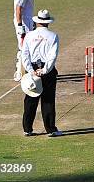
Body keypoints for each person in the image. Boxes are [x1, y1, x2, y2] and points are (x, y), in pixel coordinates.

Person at [21, 9, 62, 137]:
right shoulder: (53, 36)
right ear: (48, 22)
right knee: (48, 99)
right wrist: (44, 70)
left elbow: (25, 55)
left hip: (32, 68)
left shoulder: (29, 35)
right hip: (47, 70)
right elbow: (52, 56)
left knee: (30, 98)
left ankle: (27, 129)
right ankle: (50, 130)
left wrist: (31, 70)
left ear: (37, 22)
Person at [13, 0, 38, 81]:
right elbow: (18, 9)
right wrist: (20, 26)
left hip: (27, 22)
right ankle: (19, 72)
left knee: (27, 46)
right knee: (23, 47)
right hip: (22, 23)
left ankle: (24, 71)